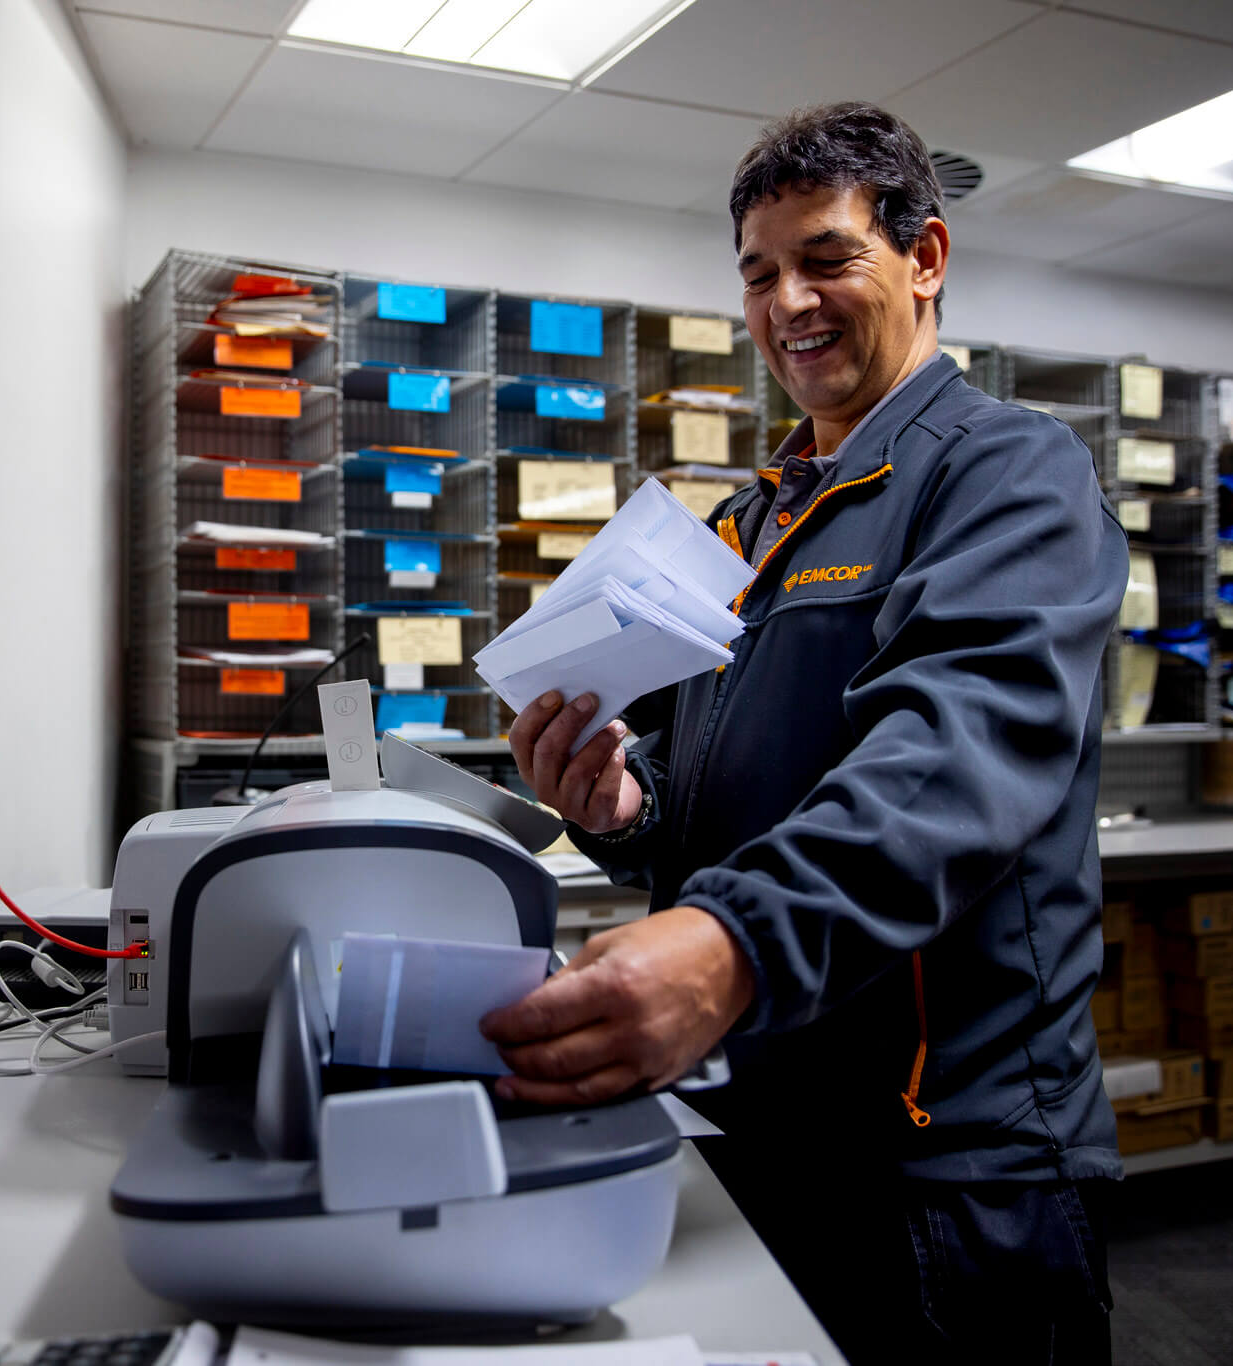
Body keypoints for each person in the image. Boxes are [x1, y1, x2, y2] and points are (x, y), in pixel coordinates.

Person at [481, 103, 1127, 1365]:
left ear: (924, 256)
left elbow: (947, 765)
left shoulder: (1006, 473)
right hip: (754, 1113)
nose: (789, 302)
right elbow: (696, 787)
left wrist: (729, 944)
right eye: (760, 273)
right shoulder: (747, 526)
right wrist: (621, 805)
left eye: (826, 259)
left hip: (945, 1167)